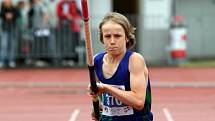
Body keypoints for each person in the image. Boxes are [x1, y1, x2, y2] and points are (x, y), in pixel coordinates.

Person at [88, 12, 153, 121]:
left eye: (117, 36)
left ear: (127, 37)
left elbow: (138, 102)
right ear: (102, 38)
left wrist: (106, 88)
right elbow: (102, 96)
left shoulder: (134, 60)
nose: (112, 41)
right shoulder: (96, 61)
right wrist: (98, 105)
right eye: (107, 36)